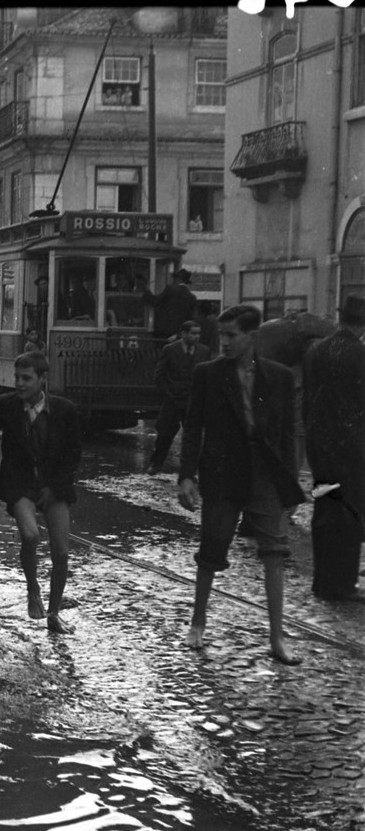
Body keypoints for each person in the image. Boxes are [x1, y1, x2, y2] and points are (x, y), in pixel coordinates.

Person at [178, 304, 306, 665]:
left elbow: (285, 434)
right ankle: (198, 622)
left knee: (275, 552)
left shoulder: (278, 377)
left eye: (232, 335)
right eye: (222, 335)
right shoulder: (208, 374)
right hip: (223, 474)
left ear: (252, 337)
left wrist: (289, 485)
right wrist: (187, 475)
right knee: (211, 550)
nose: (224, 342)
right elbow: (193, 426)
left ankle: (277, 638)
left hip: (265, 474)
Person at [0, 351, 82, 635]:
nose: (19, 383)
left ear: (43, 380)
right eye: (17, 377)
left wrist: (54, 488)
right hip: (19, 484)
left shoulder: (66, 410)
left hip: (55, 485)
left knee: (61, 551)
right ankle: (32, 587)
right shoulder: (7, 406)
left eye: (26, 378)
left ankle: (54, 614)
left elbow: (73, 457)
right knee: (30, 535)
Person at [302, 294, 365, 603]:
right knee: (349, 515)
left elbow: (307, 400)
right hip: (351, 449)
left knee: (324, 510)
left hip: (319, 447)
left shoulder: (317, 350)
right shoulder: (360, 354)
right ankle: (343, 584)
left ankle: (322, 582)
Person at [147, 320, 211, 476]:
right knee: (165, 434)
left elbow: (207, 376)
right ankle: (156, 464)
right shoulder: (170, 350)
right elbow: (159, 375)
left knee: (192, 437)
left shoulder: (204, 351)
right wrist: (169, 393)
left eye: (198, 333)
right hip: (173, 400)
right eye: (193, 333)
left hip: (192, 401)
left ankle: (189, 471)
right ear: (183, 334)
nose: (196, 337)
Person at [143, 268, 198, 339]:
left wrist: (147, 290)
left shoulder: (170, 289)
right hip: (178, 334)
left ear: (178, 279)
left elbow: (155, 302)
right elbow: (190, 318)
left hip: (162, 331)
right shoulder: (192, 297)